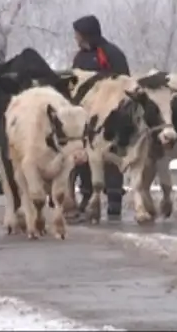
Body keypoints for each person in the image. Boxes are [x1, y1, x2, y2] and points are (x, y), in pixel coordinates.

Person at [71, 14, 130, 220]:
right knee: (85, 157)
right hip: (85, 115)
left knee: (110, 154)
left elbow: (124, 81)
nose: (76, 38)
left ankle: (114, 198)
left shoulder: (112, 54)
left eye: (78, 34)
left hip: (110, 115)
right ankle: (87, 198)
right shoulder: (79, 58)